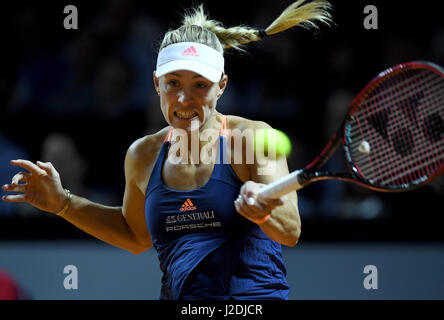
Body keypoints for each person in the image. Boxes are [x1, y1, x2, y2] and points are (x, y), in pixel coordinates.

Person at [2, 0, 332, 300]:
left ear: (221, 86)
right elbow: (135, 236)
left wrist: (264, 213)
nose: (184, 99)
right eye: (173, 83)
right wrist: (63, 203)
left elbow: (291, 231)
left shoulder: (252, 137)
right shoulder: (142, 155)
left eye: (199, 85)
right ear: (157, 83)